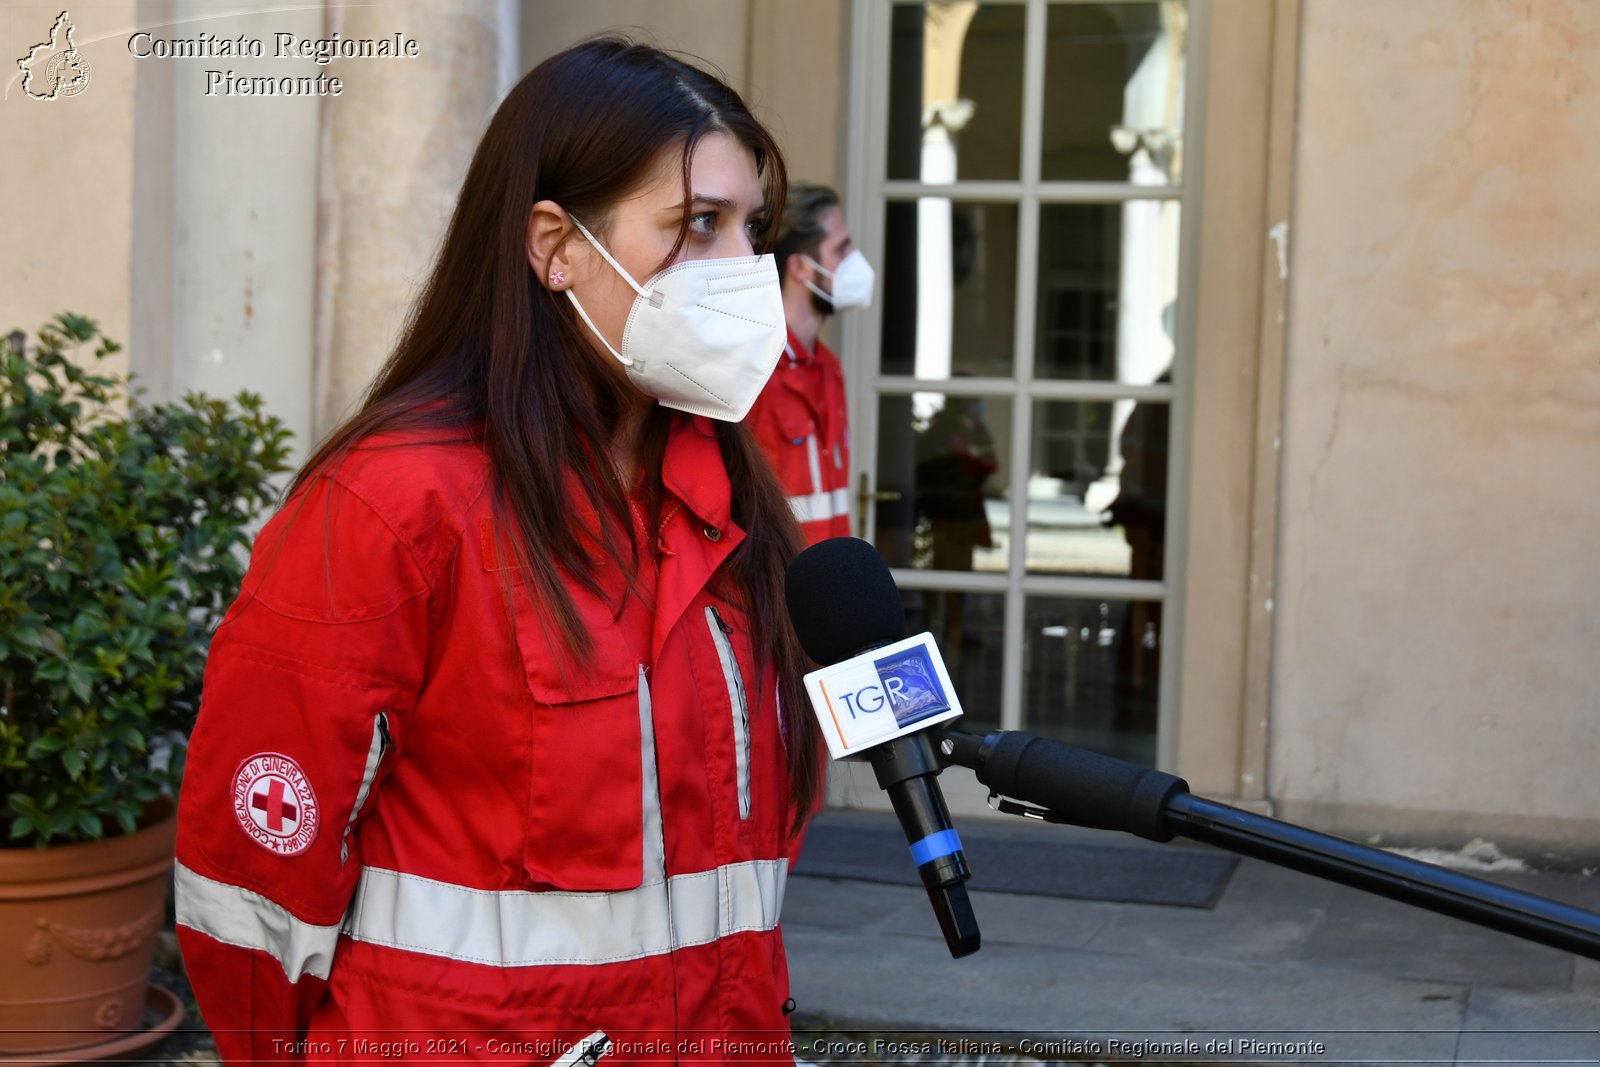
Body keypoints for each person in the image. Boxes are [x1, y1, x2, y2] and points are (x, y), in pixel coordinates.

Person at [173, 38, 821, 1065]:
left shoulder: (726, 506)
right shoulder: (392, 505)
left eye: (753, 230)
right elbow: (250, 883)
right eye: (698, 224)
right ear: (555, 246)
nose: (744, 268)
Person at [745, 184, 873, 543]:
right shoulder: (756, 367)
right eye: (841, 249)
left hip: (827, 582)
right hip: (776, 586)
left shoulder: (827, 366)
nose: (854, 262)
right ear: (800, 267)